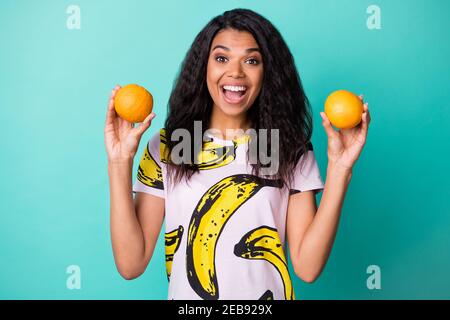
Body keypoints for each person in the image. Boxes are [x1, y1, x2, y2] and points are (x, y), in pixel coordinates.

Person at [104, 8, 371, 300]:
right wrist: (119, 162)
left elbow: (307, 268)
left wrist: (340, 168)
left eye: (252, 60)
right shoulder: (172, 145)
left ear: (268, 72)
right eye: (221, 58)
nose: (235, 72)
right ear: (203, 67)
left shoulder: (286, 148)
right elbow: (131, 263)